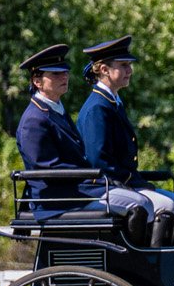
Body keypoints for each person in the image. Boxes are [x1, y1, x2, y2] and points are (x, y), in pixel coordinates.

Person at [14, 43, 152, 236]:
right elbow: (47, 169)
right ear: (37, 81)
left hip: (77, 190)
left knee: (142, 201)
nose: (64, 77)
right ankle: (139, 263)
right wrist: (94, 178)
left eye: (65, 72)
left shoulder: (55, 110)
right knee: (141, 203)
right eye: (55, 74)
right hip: (58, 199)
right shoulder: (34, 120)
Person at [76, 35, 174, 248]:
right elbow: (98, 160)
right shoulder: (97, 108)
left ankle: (169, 265)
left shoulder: (112, 102)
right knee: (164, 206)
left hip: (124, 181)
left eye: (129, 65)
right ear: (104, 70)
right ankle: (149, 266)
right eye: (124, 65)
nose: (130, 71)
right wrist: (132, 183)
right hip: (106, 185)